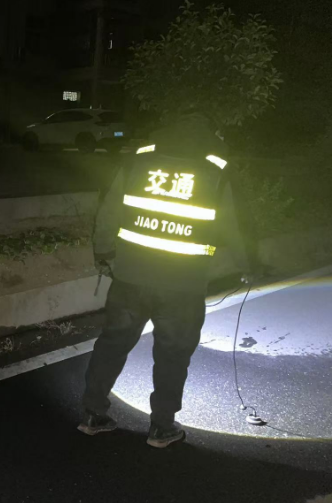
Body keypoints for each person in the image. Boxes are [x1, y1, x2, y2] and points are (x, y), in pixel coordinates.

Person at [78, 111, 256, 448]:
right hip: (182, 284)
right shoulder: (215, 169)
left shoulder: (139, 160)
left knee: (112, 344)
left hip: (131, 277)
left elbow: (110, 209)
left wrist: (103, 252)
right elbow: (235, 226)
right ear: (210, 133)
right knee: (172, 354)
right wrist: (248, 265)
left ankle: (91, 414)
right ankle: (161, 427)